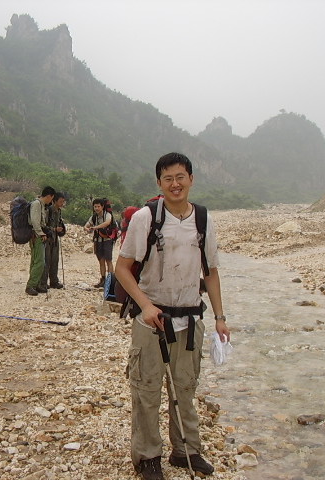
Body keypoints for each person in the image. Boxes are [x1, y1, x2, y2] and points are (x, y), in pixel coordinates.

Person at [115, 152, 230, 480]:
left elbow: (211, 273)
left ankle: (186, 450)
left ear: (191, 179)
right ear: (159, 183)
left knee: (185, 388)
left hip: (190, 320)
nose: (175, 184)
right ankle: (147, 456)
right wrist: (146, 305)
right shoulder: (146, 218)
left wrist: (220, 317)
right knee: (147, 389)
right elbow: (122, 268)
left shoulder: (203, 219)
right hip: (151, 320)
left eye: (181, 177)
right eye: (168, 178)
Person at [26, 186, 56, 296]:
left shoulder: (41, 204)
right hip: (36, 236)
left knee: (37, 261)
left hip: (38, 235)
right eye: (52, 198)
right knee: (39, 262)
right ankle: (31, 285)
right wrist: (41, 233)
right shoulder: (37, 204)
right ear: (49, 196)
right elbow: (35, 221)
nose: (51, 201)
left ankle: (36, 284)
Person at [84, 198, 115, 288]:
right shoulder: (94, 217)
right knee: (101, 260)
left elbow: (107, 223)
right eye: (95, 207)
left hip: (107, 240)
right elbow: (86, 225)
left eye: (98, 206)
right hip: (98, 241)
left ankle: (111, 281)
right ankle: (103, 280)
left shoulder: (107, 215)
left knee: (108, 260)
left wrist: (95, 227)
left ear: (102, 206)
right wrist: (87, 228)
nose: (97, 208)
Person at [39, 192, 66, 290]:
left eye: (63, 202)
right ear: (54, 201)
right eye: (60, 201)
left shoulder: (59, 211)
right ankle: (43, 283)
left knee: (55, 261)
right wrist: (54, 229)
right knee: (46, 261)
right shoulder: (49, 210)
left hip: (55, 239)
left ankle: (54, 281)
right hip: (47, 239)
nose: (62, 204)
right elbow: (43, 225)